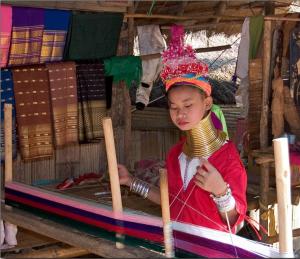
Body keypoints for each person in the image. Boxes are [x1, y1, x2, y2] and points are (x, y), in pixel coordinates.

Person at [118, 25, 247, 233]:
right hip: (178, 245)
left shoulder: (227, 157)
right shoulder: (176, 154)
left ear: (207, 103)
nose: (180, 114)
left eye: (188, 105)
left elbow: (235, 222)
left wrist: (221, 191)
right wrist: (131, 181)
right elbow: (171, 202)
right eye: (173, 107)